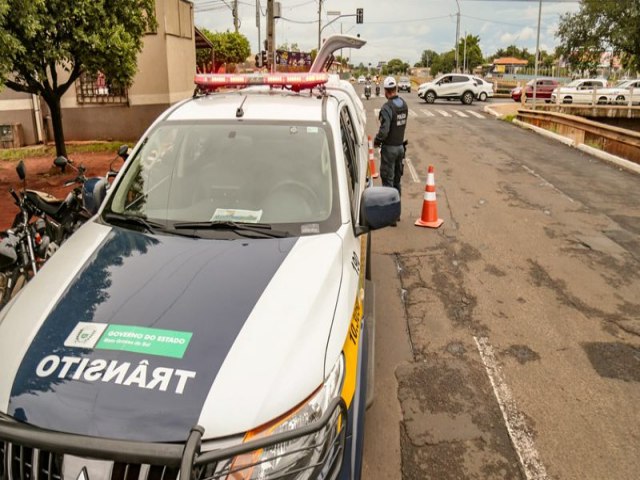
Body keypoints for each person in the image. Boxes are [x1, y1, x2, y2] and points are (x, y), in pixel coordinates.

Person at [374, 76, 408, 221]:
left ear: (386, 91)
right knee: (396, 181)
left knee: (388, 182)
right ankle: (396, 213)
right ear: (396, 89)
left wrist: (377, 140)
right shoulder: (403, 104)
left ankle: (390, 216)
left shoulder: (387, 107)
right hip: (400, 147)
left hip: (389, 149)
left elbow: (385, 129)